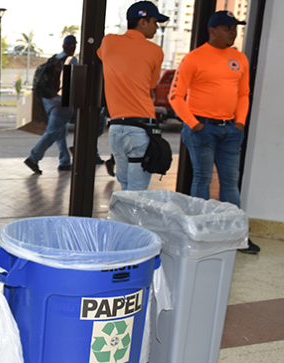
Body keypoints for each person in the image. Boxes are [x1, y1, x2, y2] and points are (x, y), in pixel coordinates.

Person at [169, 11, 259, 254]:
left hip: (230, 129)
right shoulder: (193, 58)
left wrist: (240, 122)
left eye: (236, 27)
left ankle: (236, 236)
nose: (234, 31)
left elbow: (243, 94)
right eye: (228, 27)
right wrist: (194, 124)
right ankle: (200, 232)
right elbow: (175, 96)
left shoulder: (239, 58)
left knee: (230, 183)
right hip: (202, 129)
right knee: (202, 179)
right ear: (213, 31)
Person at [97, 1, 168, 190]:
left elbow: (100, 55)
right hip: (140, 129)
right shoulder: (155, 51)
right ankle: (129, 221)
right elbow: (151, 87)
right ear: (142, 22)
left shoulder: (108, 42)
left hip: (116, 129)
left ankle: (119, 219)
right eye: (154, 22)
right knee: (137, 192)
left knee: (125, 188)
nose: (156, 27)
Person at [23, 35, 78, 174]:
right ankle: (33, 157)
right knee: (53, 132)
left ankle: (65, 161)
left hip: (47, 99)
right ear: (73, 46)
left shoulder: (55, 57)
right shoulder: (72, 60)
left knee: (60, 131)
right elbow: (73, 83)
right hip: (61, 101)